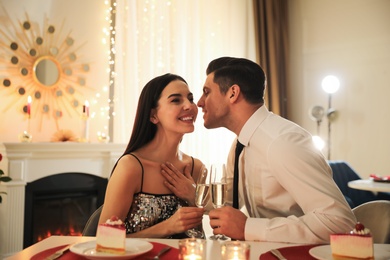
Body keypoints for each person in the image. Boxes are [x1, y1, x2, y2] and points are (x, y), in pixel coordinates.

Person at [197, 57, 356, 243]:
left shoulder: (283, 143)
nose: (199, 102)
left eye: (206, 92)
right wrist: (191, 193)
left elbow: (340, 223)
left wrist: (249, 228)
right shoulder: (240, 144)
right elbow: (229, 202)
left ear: (233, 93)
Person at [99, 73, 205, 238]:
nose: (189, 106)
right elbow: (105, 240)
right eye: (176, 100)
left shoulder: (196, 168)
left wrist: (194, 198)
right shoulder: (131, 167)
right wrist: (167, 227)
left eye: (190, 99)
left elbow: (198, 237)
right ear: (153, 115)